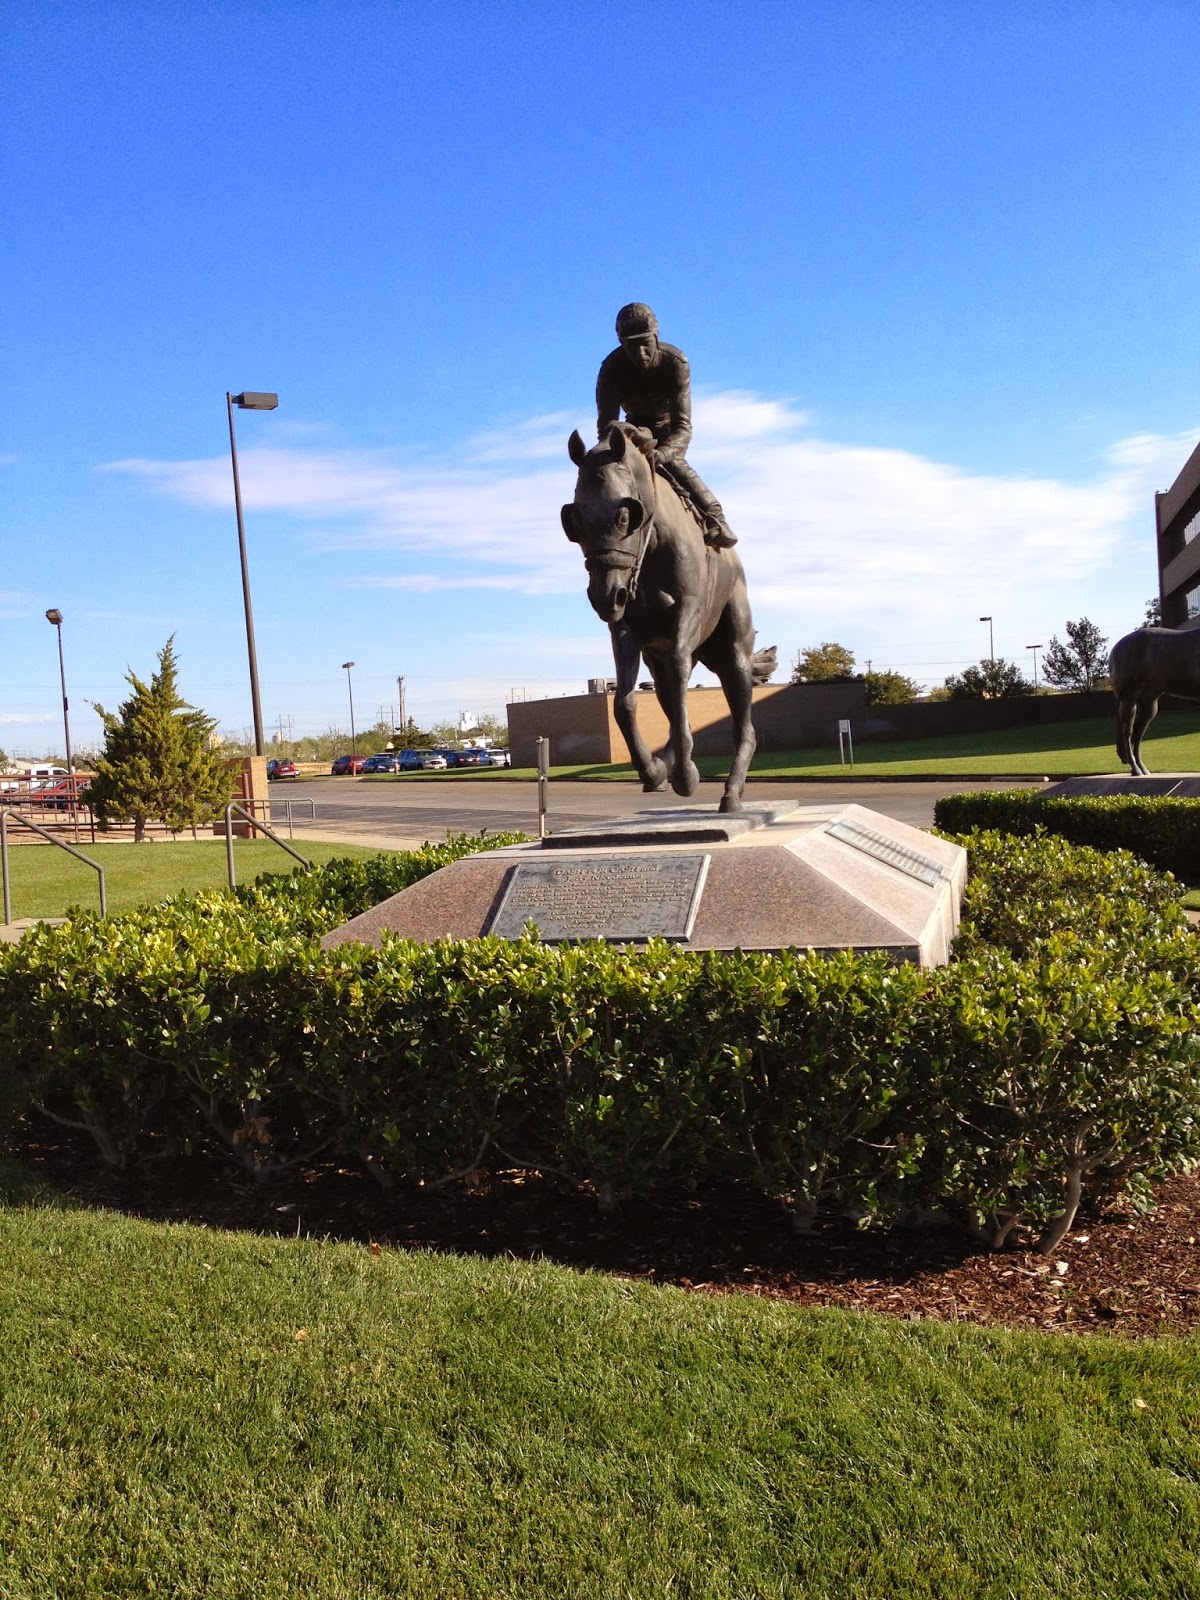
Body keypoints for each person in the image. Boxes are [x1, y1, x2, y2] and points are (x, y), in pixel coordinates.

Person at [595, 303, 737, 547]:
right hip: (631, 433)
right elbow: (606, 428)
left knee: (675, 465)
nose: (640, 353)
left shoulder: (675, 363)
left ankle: (717, 518)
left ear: (656, 337)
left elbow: (683, 427)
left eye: (645, 343)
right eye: (631, 346)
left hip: (668, 433)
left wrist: (662, 453)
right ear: (621, 343)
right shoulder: (610, 369)